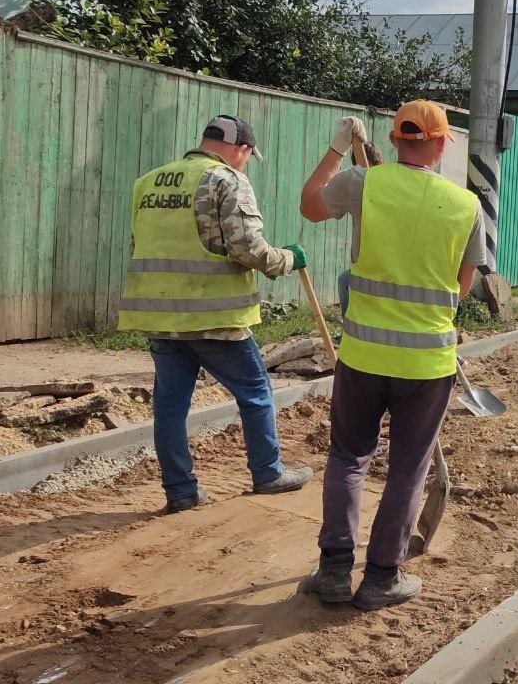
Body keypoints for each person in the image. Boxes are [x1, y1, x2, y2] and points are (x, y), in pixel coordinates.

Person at [299, 101, 486, 610]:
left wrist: (337, 150)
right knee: (408, 468)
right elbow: (462, 289)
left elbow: (310, 205)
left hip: (362, 356)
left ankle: (334, 571)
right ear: (443, 143)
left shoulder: (362, 183)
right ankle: (382, 578)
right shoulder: (466, 206)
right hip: (427, 366)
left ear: (397, 137)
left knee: (348, 458)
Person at [117, 115, 314, 514]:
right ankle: (268, 472)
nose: (245, 163)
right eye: (247, 156)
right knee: (256, 393)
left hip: (161, 317)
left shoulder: (149, 182)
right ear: (241, 149)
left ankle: (180, 491)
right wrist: (287, 260)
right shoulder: (226, 179)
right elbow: (247, 249)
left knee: (170, 408)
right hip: (215, 317)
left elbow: (140, 244)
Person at [337, 142, 385, 317]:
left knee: (346, 282)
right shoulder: (358, 184)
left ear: (379, 164)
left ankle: (350, 331)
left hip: (384, 265)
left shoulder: (385, 187)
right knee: (345, 281)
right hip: (367, 262)